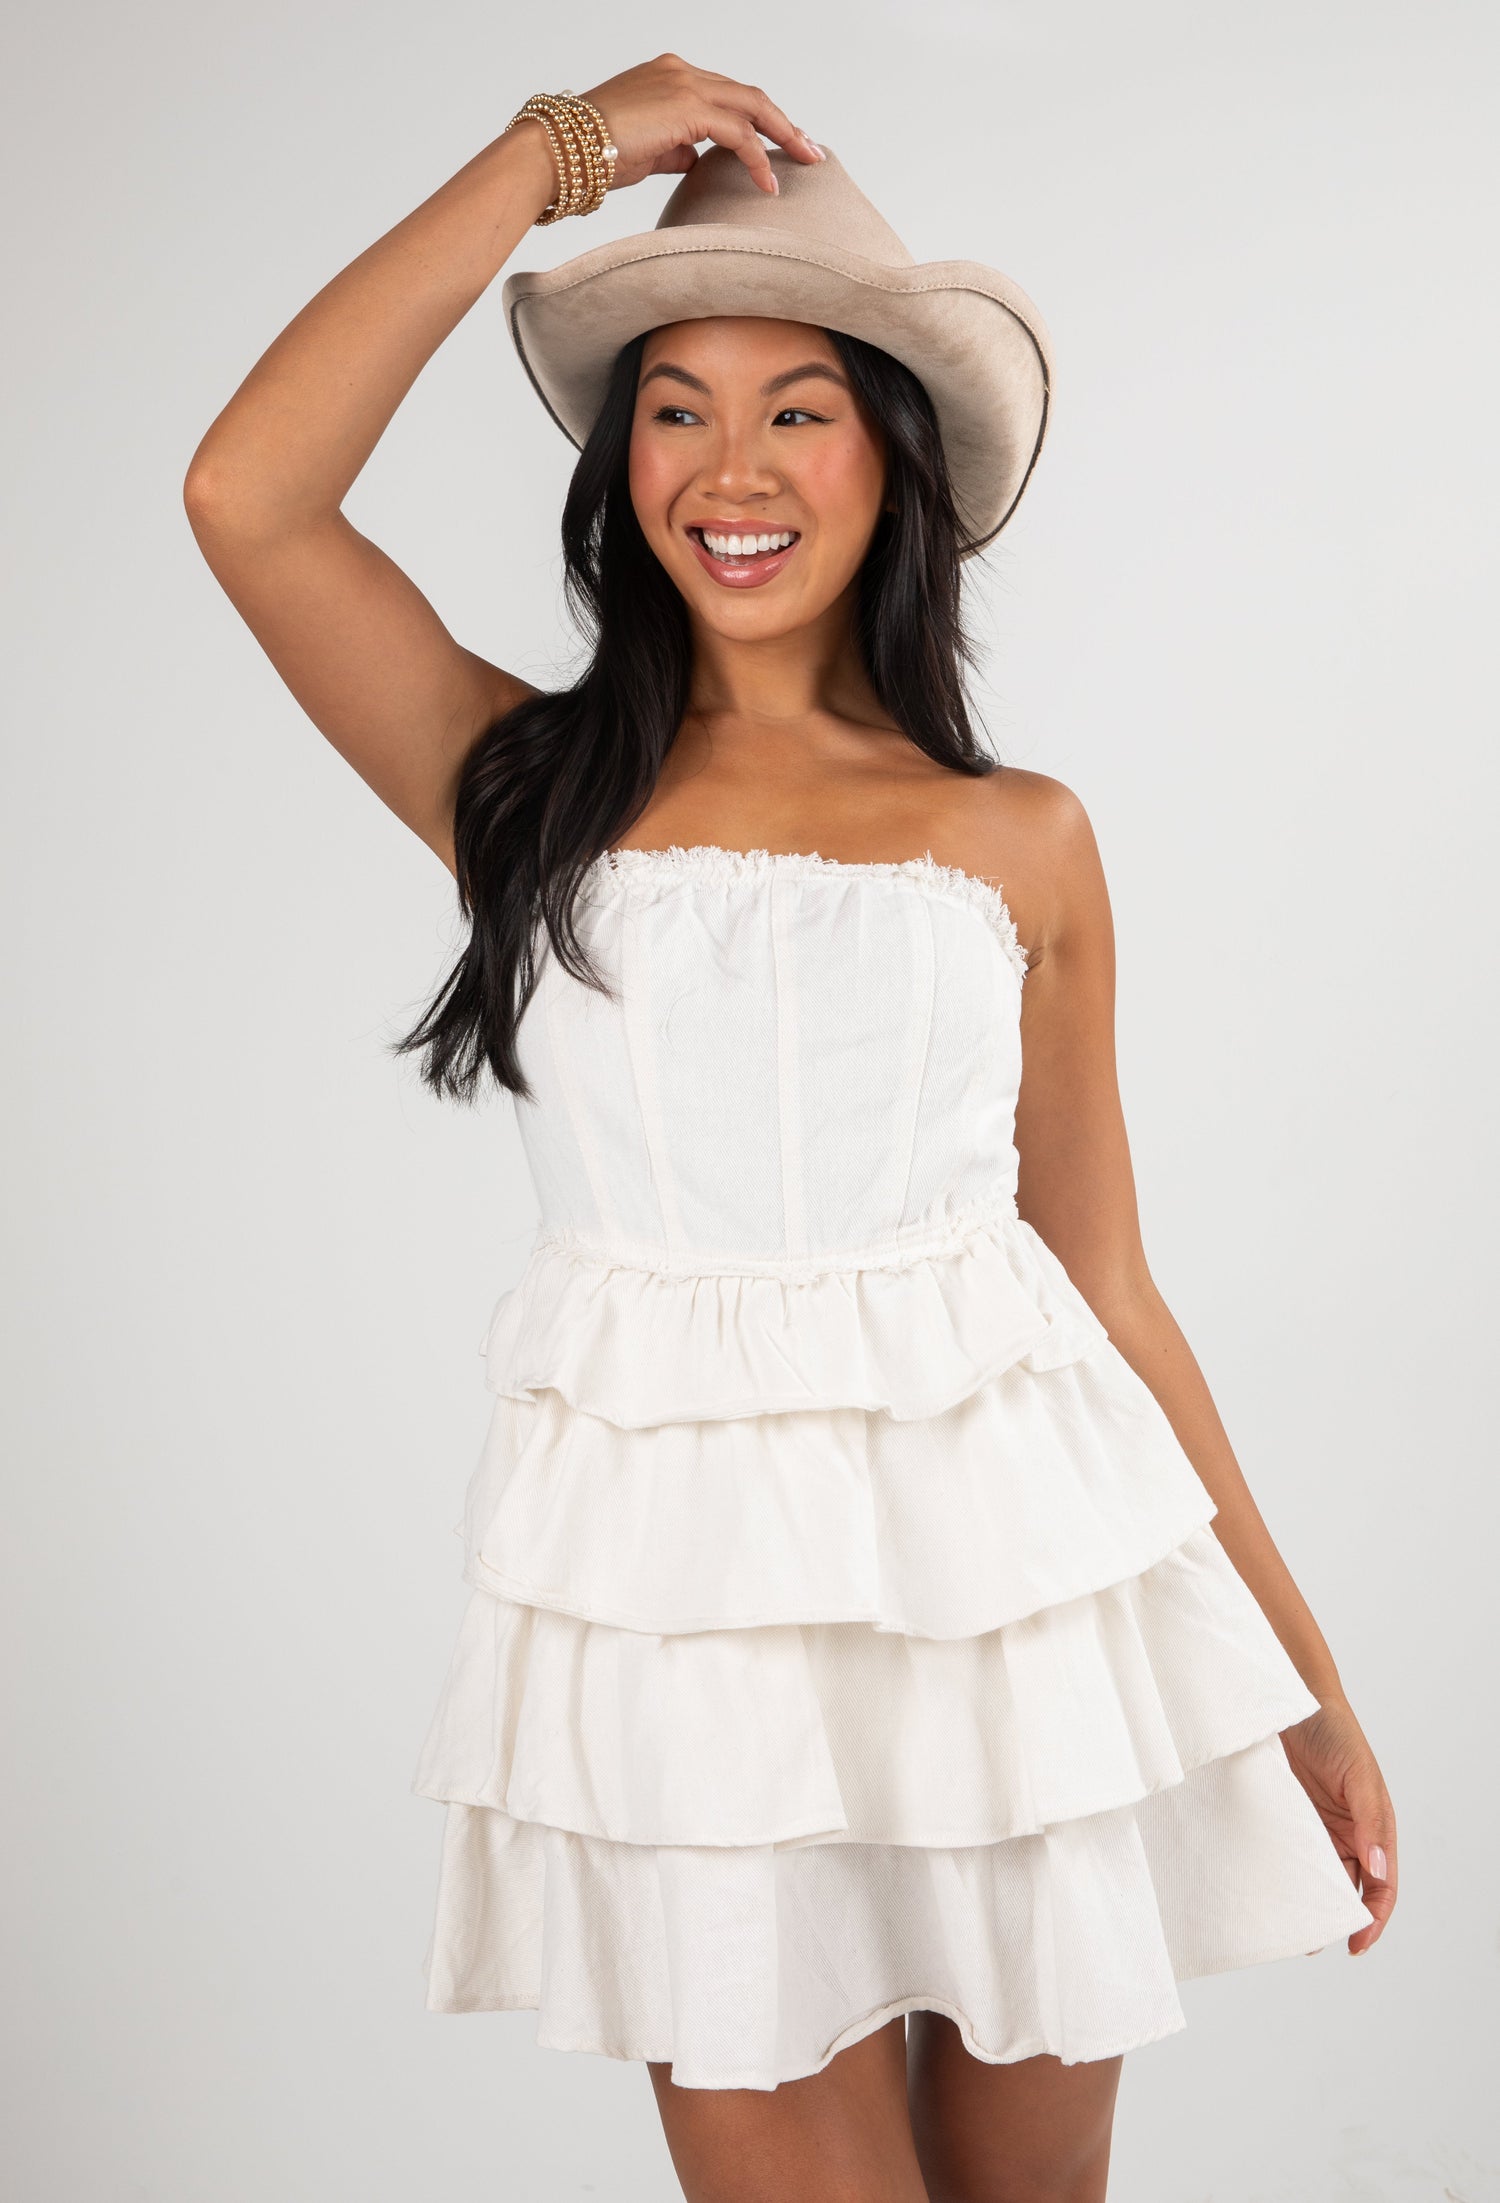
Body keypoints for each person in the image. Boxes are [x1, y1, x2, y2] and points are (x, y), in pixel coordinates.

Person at [183, 52, 1397, 2203]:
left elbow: (1102, 1282)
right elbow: (248, 498)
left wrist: (1294, 1681)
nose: (727, 466)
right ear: (619, 460)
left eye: (796, 407)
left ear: (892, 460)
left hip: (1021, 1619)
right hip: (684, 1639)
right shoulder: (529, 795)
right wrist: (557, 150)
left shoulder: (1018, 838)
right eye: (675, 405)